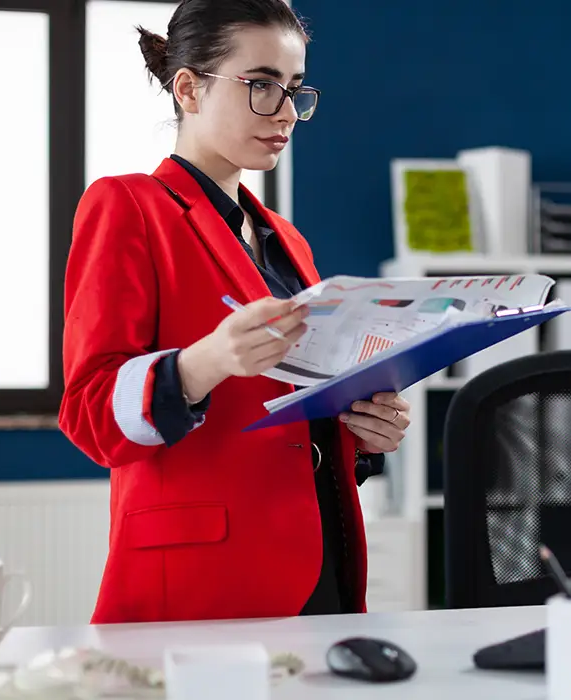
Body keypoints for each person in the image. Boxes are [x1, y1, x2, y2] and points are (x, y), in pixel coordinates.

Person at [59, 0, 411, 624]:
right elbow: (88, 414)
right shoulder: (127, 206)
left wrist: (363, 434)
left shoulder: (287, 240)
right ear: (189, 89)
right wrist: (204, 363)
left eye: (294, 90)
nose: (284, 114)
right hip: (203, 575)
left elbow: (290, 414)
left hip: (320, 561)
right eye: (261, 86)